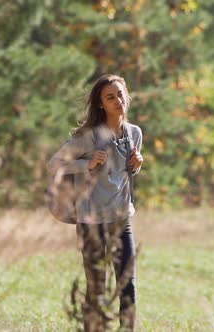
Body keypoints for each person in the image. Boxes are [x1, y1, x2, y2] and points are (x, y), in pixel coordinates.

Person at [47, 74, 143, 331]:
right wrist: (86, 164)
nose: (118, 101)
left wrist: (136, 165)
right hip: (92, 223)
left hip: (121, 220)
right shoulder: (90, 137)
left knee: (127, 285)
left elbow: (125, 174)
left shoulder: (135, 133)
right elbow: (53, 164)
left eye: (121, 95)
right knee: (97, 286)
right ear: (101, 104)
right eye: (110, 97)